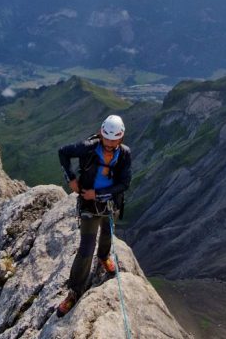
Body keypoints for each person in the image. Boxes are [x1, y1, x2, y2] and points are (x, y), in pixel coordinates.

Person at [55, 114, 132, 317]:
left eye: (113, 140)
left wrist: (97, 194)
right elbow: (63, 153)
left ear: (120, 138)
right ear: (101, 134)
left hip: (108, 203)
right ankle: (74, 292)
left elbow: (124, 183)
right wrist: (71, 178)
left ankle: (104, 256)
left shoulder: (124, 154)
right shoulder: (88, 147)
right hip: (89, 205)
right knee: (86, 247)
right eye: (106, 139)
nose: (109, 143)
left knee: (107, 235)